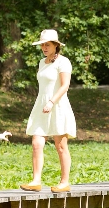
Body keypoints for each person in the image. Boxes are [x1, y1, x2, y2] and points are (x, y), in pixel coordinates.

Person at [21, 29, 76, 193]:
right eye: (42, 45)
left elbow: (65, 85)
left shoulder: (63, 62)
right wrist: (45, 103)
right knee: (37, 143)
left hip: (57, 105)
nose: (44, 47)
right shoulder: (41, 62)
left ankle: (64, 182)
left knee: (60, 145)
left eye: (47, 44)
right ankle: (36, 180)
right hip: (41, 105)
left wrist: (52, 102)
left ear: (56, 45)